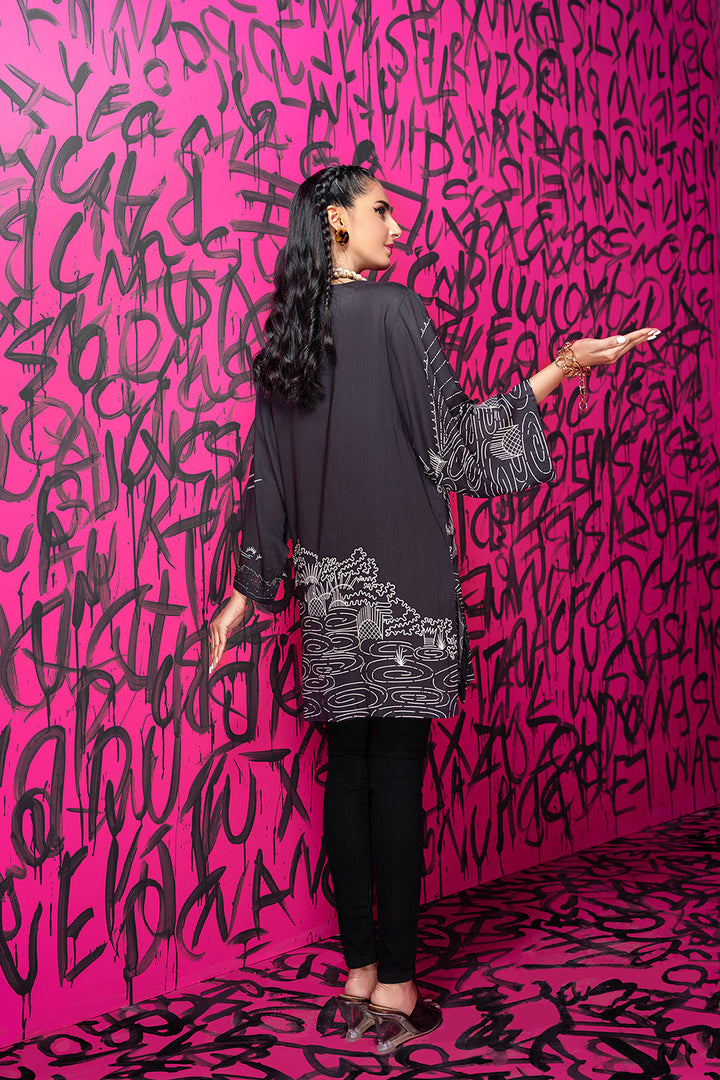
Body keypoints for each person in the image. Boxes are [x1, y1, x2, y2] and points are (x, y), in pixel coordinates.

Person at [208, 164, 660, 1054]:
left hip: (330, 597)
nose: (399, 227)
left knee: (347, 776)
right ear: (338, 222)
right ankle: (400, 988)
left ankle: (358, 975)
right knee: (396, 780)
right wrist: (565, 367)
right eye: (382, 211)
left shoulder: (285, 339)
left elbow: (268, 481)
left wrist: (243, 596)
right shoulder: (395, 312)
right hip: (405, 594)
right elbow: (457, 447)